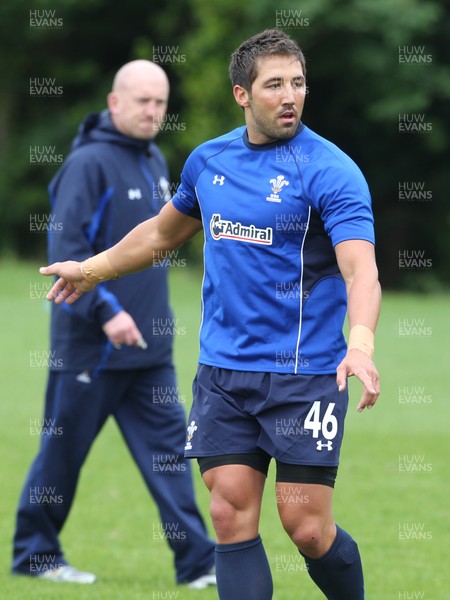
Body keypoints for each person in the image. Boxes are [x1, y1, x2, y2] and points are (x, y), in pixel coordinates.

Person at [39, 29, 381, 600]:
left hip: (306, 376)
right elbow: (158, 236)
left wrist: (362, 343)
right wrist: (90, 270)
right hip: (223, 374)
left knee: (306, 527)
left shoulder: (332, 171)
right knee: (228, 515)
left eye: (297, 83)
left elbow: (360, 271)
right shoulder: (209, 162)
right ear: (242, 94)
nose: (290, 95)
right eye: (274, 84)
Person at [12, 60, 217, 589]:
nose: (153, 112)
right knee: (62, 452)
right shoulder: (88, 163)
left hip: (148, 351)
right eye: (143, 101)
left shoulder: (153, 158)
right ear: (115, 102)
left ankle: (197, 563)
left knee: (172, 457)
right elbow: (67, 249)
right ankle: (35, 555)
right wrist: (108, 313)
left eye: (161, 103)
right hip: (90, 348)